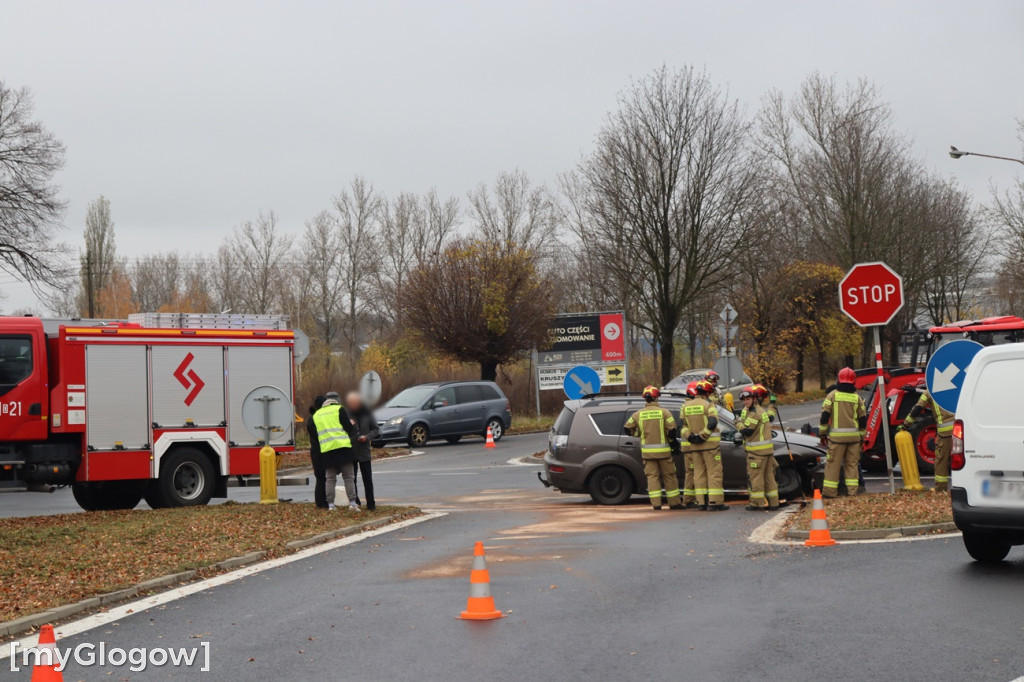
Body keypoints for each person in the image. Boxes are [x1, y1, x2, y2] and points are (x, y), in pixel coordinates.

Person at [624, 385, 683, 510]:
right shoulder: (665, 412)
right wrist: (673, 443)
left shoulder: (637, 414)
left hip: (647, 453)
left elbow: (627, 428)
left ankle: (656, 504)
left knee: (652, 478)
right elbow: (672, 431)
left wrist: (638, 434)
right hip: (664, 453)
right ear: (656, 398)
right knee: (670, 476)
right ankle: (674, 503)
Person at [819, 367, 868, 499]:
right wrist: (862, 437)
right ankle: (852, 493)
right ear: (853, 381)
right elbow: (863, 420)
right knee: (852, 466)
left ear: (838, 380)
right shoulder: (857, 398)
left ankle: (830, 493)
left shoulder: (832, 396)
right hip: (854, 439)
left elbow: (824, 417)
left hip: (836, 440)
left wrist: (822, 434)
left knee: (833, 465)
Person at [898, 381, 954, 492]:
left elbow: (917, 410)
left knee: (941, 460)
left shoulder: (930, 392)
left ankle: (940, 488)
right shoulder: (953, 387)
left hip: (945, 432)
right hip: (961, 428)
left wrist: (905, 425)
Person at [682, 379, 727, 511]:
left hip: (695, 447)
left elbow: (683, 426)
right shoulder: (708, 405)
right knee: (714, 473)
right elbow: (712, 422)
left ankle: (701, 502)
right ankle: (715, 502)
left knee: (698, 474)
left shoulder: (686, 406)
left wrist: (690, 437)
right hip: (710, 447)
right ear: (707, 393)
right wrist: (703, 435)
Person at [312, 391, 359, 511]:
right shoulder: (339, 409)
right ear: (336, 401)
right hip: (343, 447)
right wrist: (351, 424)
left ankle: (331, 505)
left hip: (327, 450)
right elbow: (348, 428)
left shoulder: (317, 415)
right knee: (348, 477)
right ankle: (353, 503)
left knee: (330, 479)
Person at [738, 386, 779, 510]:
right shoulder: (761, 410)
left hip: (757, 453)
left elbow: (747, 431)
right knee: (769, 478)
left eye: (748, 399)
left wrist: (737, 423)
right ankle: (774, 503)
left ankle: (757, 504)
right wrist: (772, 404)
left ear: (754, 399)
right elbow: (770, 417)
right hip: (766, 452)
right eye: (744, 400)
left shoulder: (755, 413)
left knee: (756, 479)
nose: (746, 402)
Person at [346, 391, 379, 510]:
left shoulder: (368, 414)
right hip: (351, 450)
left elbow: (376, 429)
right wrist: (348, 425)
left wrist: (367, 437)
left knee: (367, 479)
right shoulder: (347, 414)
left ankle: (371, 504)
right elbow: (342, 431)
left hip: (364, 450)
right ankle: (356, 502)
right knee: (352, 478)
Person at [680, 381, 699, 507]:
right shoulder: (689, 406)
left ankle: (693, 498)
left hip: (689, 445)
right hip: (691, 445)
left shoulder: (685, 405)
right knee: (692, 473)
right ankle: (689, 499)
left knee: (692, 472)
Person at [307, 395, 327, 509]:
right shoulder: (315, 418)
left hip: (316, 450)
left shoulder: (312, 417)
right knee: (321, 477)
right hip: (319, 450)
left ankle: (322, 501)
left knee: (321, 477)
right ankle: (321, 502)